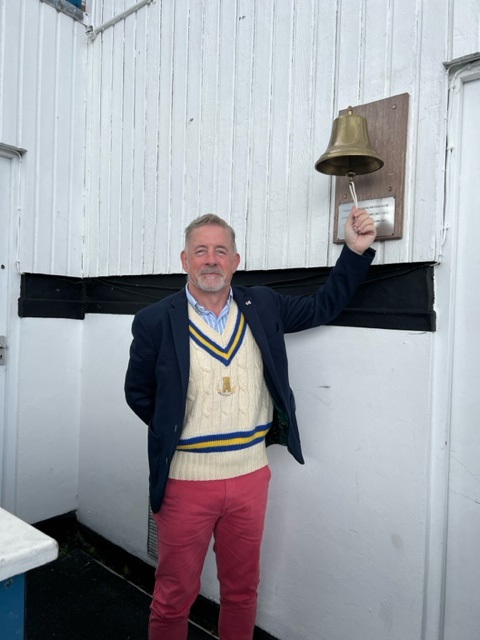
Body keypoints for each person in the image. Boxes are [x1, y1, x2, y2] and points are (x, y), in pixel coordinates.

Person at [125, 208, 376, 640]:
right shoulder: (154, 321)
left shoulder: (262, 304)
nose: (210, 259)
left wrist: (355, 251)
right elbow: (139, 393)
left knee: (242, 592)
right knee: (173, 597)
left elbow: (322, 307)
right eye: (200, 250)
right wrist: (176, 430)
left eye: (220, 250)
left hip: (249, 478)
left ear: (236, 260)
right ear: (184, 260)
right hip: (185, 482)